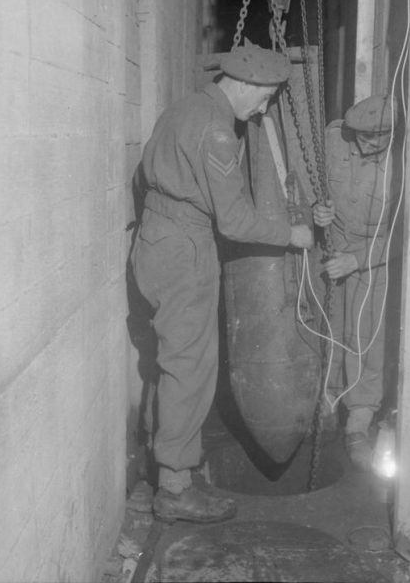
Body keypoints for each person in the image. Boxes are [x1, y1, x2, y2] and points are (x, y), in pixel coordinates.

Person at [131, 43, 314, 524]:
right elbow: (234, 222)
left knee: (172, 361)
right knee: (190, 368)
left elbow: (146, 177)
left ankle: (170, 467)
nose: (265, 107)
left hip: (155, 239)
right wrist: (290, 234)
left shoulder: (185, 107)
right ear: (245, 84)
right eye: (266, 95)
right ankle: (173, 487)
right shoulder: (217, 131)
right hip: (185, 250)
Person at [313, 94, 399, 471]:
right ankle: (325, 405)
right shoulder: (334, 139)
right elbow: (299, 184)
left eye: (376, 139)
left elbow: (404, 232)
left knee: (365, 339)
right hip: (331, 247)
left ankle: (358, 425)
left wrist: (357, 260)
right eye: (360, 137)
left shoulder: (405, 162)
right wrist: (318, 209)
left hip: (372, 257)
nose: (366, 145)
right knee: (324, 327)